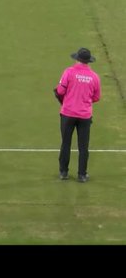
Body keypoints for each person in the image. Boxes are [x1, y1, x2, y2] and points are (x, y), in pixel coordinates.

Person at [54, 48, 102, 183]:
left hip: (68, 113)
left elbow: (60, 90)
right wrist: (84, 99)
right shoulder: (94, 77)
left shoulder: (68, 72)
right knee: (83, 146)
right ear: (88, 61)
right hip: (85, 116)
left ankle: (63, 172)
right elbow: (97, 97)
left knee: (66, 143)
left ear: (77, 59)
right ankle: (82, 175)